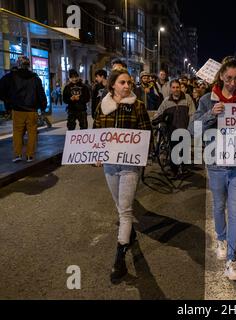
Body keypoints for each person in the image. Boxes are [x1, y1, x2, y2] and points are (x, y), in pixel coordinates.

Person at [190, 57, 236, 281]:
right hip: (217, 164)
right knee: (219, 205)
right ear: (220, 76)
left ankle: (231, 260)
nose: (232, 82)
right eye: (228, 78)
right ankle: (221, 237)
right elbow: (192, 129)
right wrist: (211, 114)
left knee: (235, 211)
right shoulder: (207, 100)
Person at [93, 68, 151, 283]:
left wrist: (143, 156)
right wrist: (96, 154)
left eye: (129, 83)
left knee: (125, 212)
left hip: (129, 167)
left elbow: (147, 133)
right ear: (112, 86)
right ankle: (130, 235)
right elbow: (97, 132)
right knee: (119, 207)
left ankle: (119, 259)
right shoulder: (103, 107)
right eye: (122, 82)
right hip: (110, 166)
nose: (127, 86)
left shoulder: (138, 106)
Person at [0, 55, 47, 162]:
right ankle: (30, 155)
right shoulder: (35, 78)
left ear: (18, 64)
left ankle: (17, 155)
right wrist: (43, 107)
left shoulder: (11, 76)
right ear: (28, 65)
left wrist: (8, 101)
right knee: (32, 133)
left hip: (17, 110)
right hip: (32, 111)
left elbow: (1, 89)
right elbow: (41, 94)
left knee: (17, 132)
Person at [153, 79, 196, 177]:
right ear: (170, 89)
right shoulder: (166, 101)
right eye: (173, 87)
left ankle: (184, 169)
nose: (176, 89)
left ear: (180, 88)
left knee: (184, 150)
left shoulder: (187, 98)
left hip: (185, 129)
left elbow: (193, 114)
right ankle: (174, 170)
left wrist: (190, 129)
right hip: (172, 131)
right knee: (173, 151)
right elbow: (158, 113)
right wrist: (157, 119)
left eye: (178, 87)